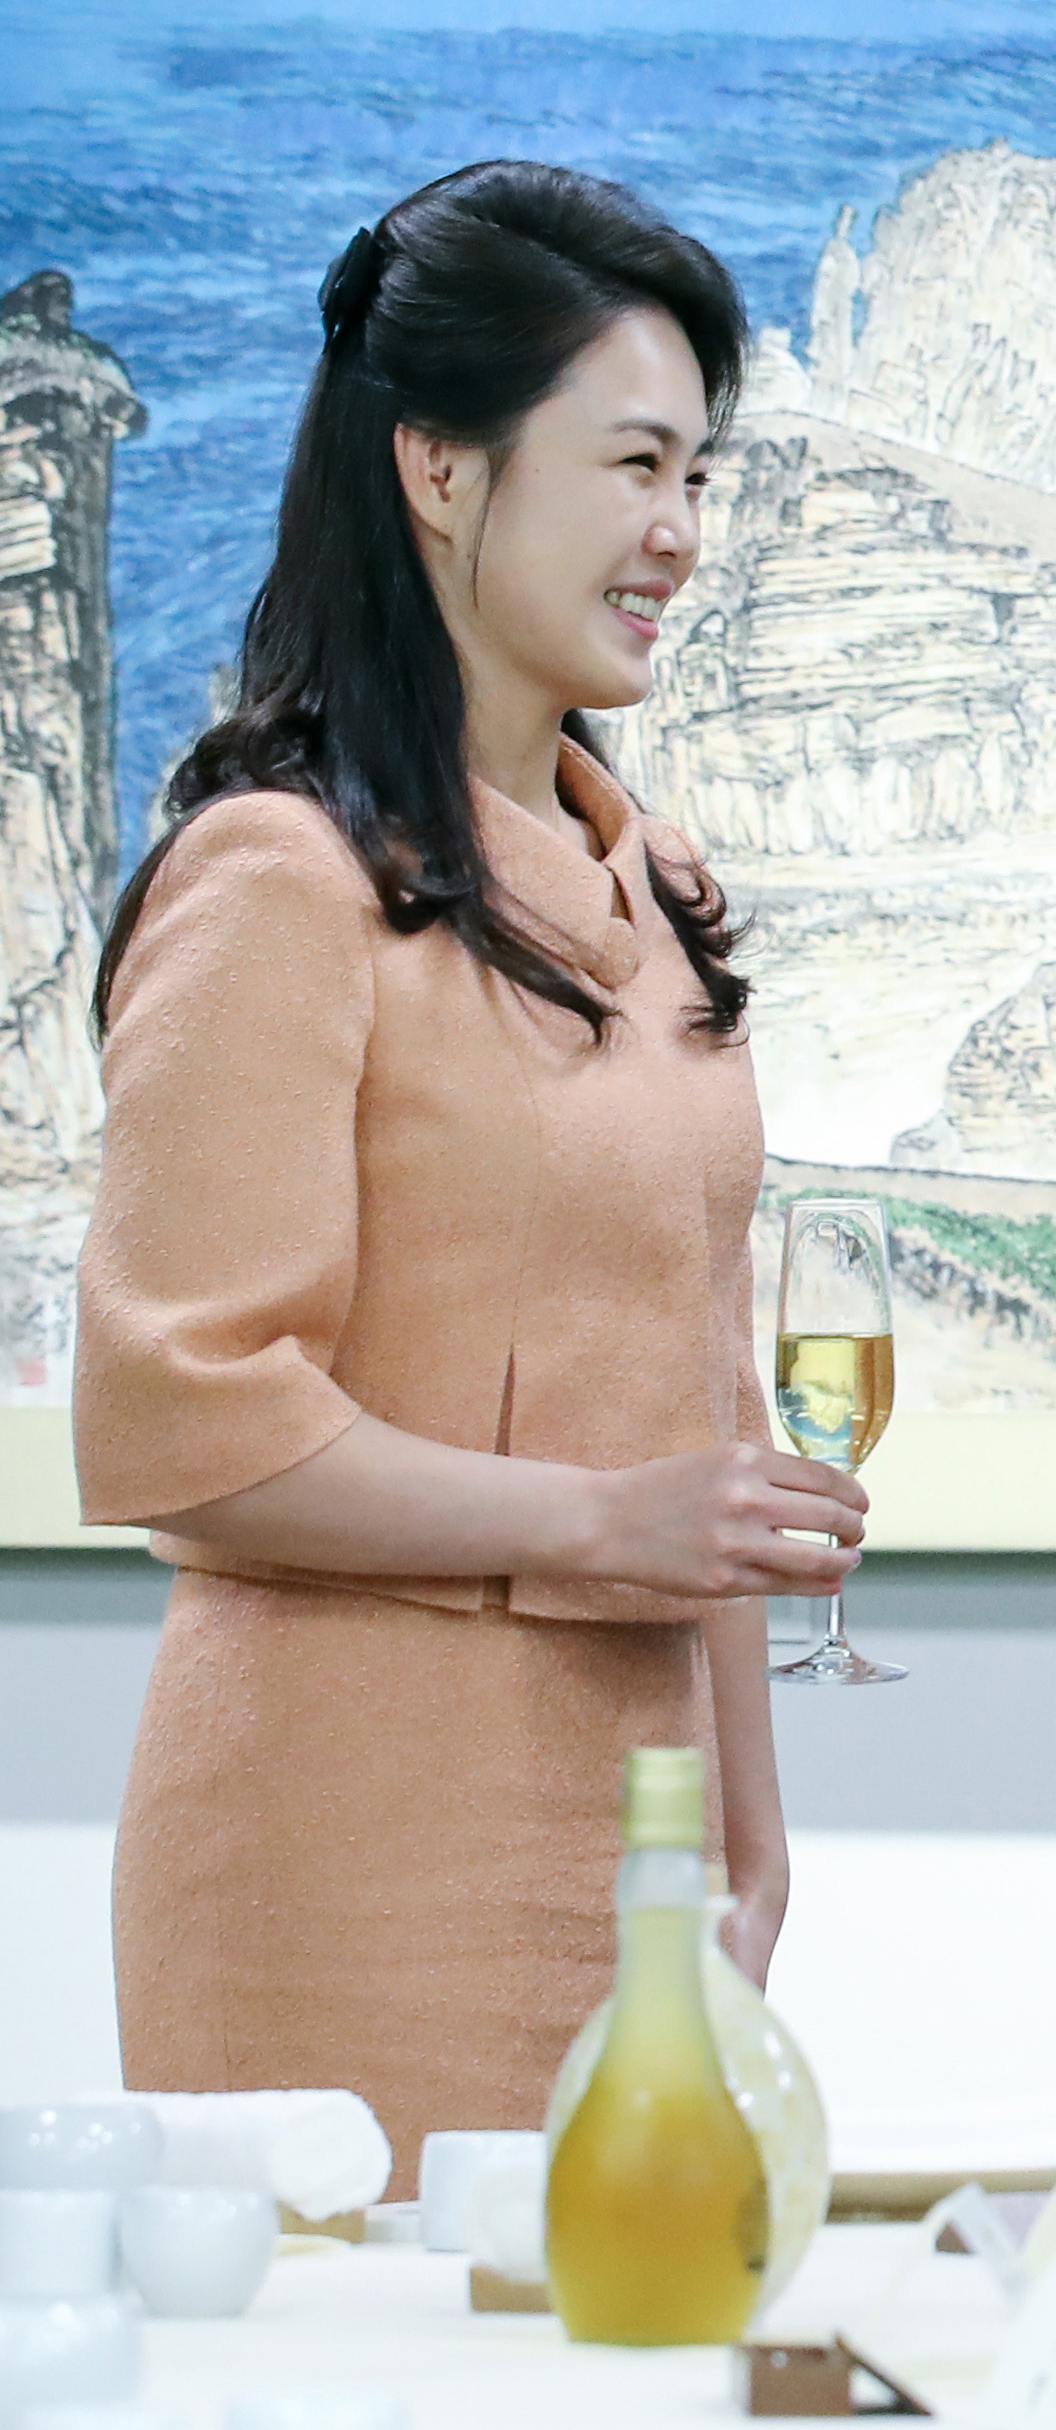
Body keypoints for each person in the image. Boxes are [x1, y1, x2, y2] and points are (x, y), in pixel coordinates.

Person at [80, 161, 864, 2188]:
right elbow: (185, 1431)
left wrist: (754, 1850)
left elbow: (705, 1398)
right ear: (439, 467)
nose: (680, 531)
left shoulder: (658, 887)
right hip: (349, 1844)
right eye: (634, 465)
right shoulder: (276, 878)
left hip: (639, 1845)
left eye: (698, 473)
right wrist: (603, 1518)